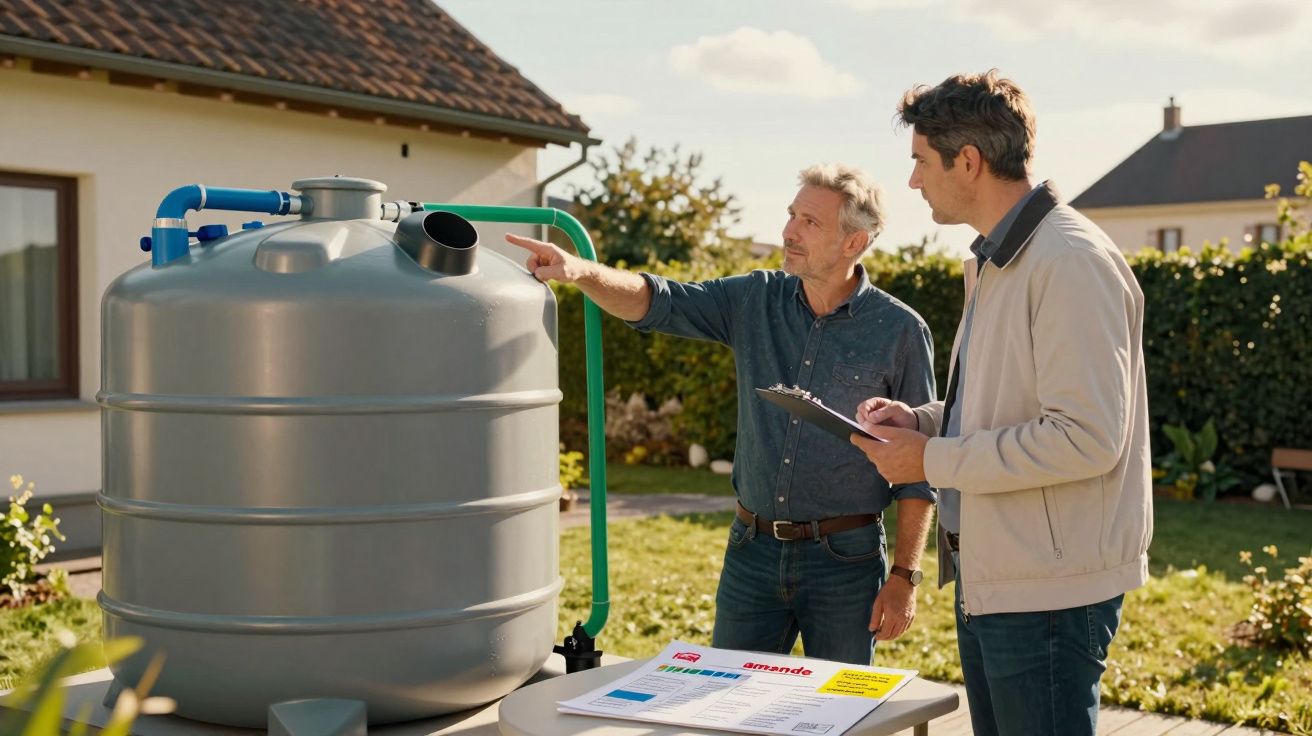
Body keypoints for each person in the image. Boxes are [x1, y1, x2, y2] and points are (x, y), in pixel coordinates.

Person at [506, 164, 936, 665]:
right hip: (751, 554)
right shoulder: (754, 297)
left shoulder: (901, 331)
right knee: (723, 703)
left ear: (853, 243)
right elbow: (656, 301)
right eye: (791, 215)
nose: (788, 231)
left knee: (838, 713)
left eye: (810, 222)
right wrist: (580, 272)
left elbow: (917, 473)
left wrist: (904, 578)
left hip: (846, 561)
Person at [850, 71, 1152, 735]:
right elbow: (1008, 407)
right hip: (999, 579)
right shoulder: (998, 260)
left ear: (968, 161)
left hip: (1045, 596)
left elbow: (1088, 437)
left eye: (920, 162)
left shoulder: (1068, 261)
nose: (912, 182)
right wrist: (921, 422)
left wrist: (932, 457)